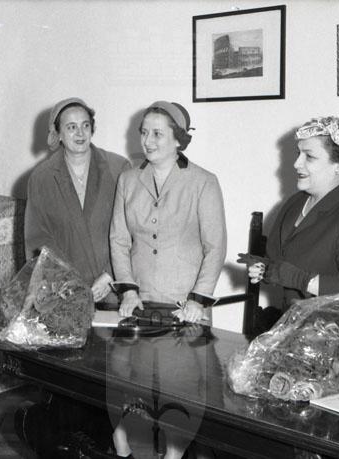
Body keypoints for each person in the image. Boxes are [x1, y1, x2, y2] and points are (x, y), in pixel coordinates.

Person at [109, 101, 227, 459]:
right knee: (131, 382)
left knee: (182, 391)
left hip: (184, 307)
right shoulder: (129, 179)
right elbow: (119, 240)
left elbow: (215, 246)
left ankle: (175, 454)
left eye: (157, 134)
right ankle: (122, 448)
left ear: (179, 139)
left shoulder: (203, 182)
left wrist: (197, 300)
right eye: (144, 132)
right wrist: (128, 290)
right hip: (140, 303)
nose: (148, 141)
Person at [238, 116, 339, 333]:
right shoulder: (295, 203)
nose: (297, 163)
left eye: (309, 156)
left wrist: (301, 280)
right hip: (292, 328)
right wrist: (265, 268)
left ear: (338, 166)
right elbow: (282, 263)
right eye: (298, 154)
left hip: (337, 336)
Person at [24, 97, 131, 302]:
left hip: (114, 289)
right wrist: (66, 284)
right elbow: (37, 241)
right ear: (58, 134)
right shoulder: (41, 178)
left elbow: (134, 231)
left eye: (85, 125)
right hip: (64, 294)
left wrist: (110, 275)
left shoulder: (118, 168)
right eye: (71, 127)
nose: (80, 133)